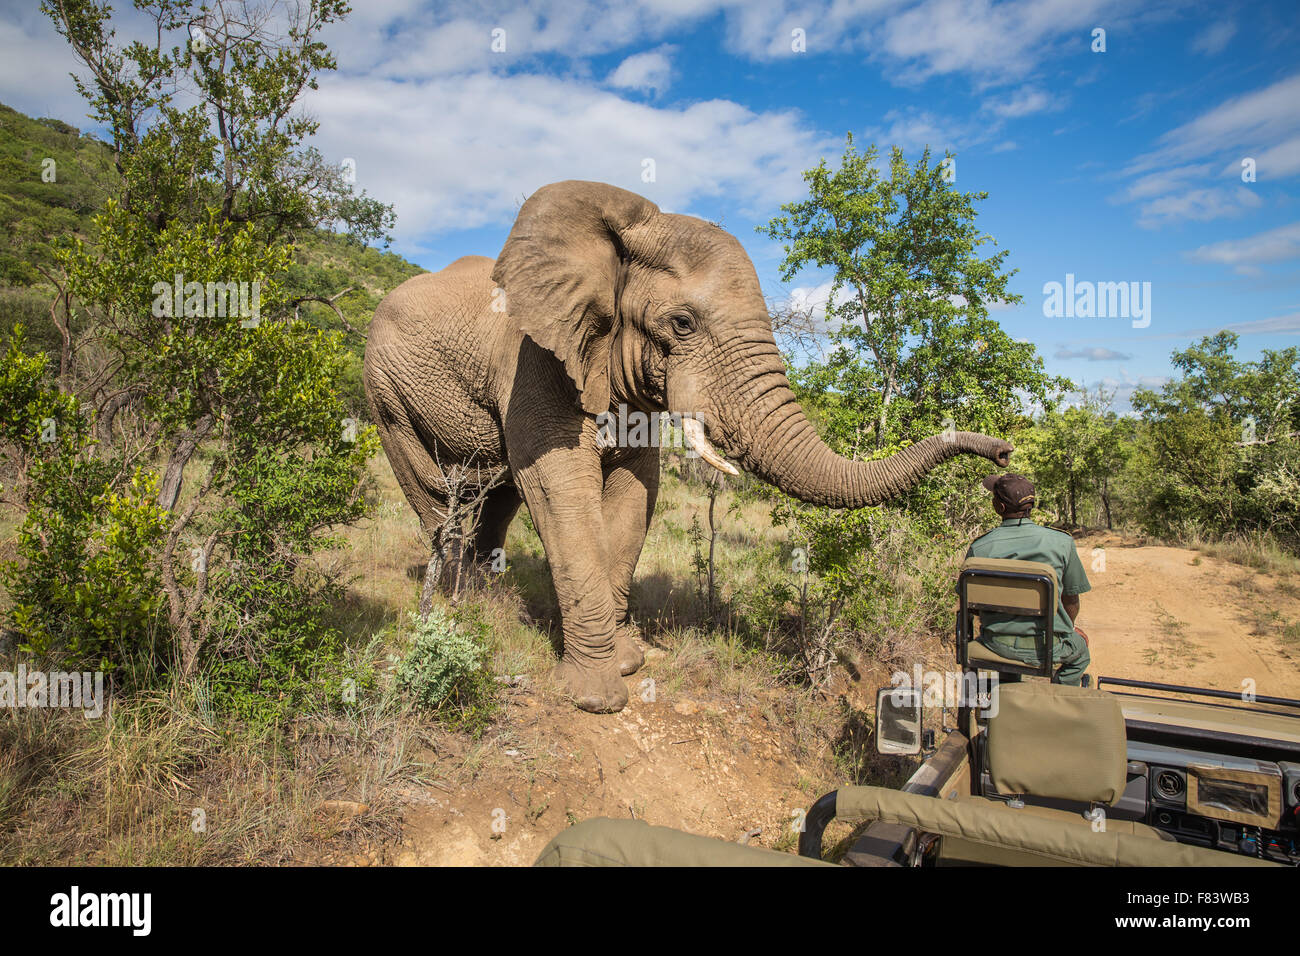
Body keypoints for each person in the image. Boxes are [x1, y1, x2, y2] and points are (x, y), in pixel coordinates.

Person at [965, 473, 1092, 685]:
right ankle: (1060, 699)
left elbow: (972, 605)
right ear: (1031, 505)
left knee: (1006, 661)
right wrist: (1067, 629)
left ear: (1000, 508)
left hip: (996, 644)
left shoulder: (980, 547)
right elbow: (1071, 600)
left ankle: (1007, 696)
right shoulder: (1062, 542)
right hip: (1048, 646)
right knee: (1081, 652)